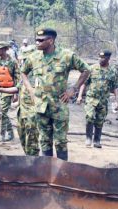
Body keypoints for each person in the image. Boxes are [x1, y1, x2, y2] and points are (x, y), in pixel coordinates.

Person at [21, 28, 90, 161]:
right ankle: (46, 171)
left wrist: (73, 89)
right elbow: (23, 72)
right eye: (36, 40)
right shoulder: (34, 57)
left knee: (60, 141)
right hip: (41, 106)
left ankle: (61, 171)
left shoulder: (67, 56)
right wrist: (31, 90)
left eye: (41, 40)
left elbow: (86, 70)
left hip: (59, 105)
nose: (37, 43)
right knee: (44, 140)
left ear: (51, 41)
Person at [77, 50, 118, 148]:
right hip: (91, 98)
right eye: (99, 57)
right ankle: (88, 138)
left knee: (100, 120)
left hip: (103, 100)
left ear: (108, 58)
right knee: (89, 117)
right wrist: (79, 96)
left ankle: (97, 140)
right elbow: (84, 83)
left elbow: (115, 87)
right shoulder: (92, 68)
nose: (100, 59)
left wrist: (117, 100)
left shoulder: (113, 71)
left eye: (103, 58)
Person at [0, 41, 18, 142]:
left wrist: (16, 93)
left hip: (9, 90)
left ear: (4, 50)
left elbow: (16, 77)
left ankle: (2, 134)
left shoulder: (12, 62)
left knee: (3, 111)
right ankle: (10, 133)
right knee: (3, 112)